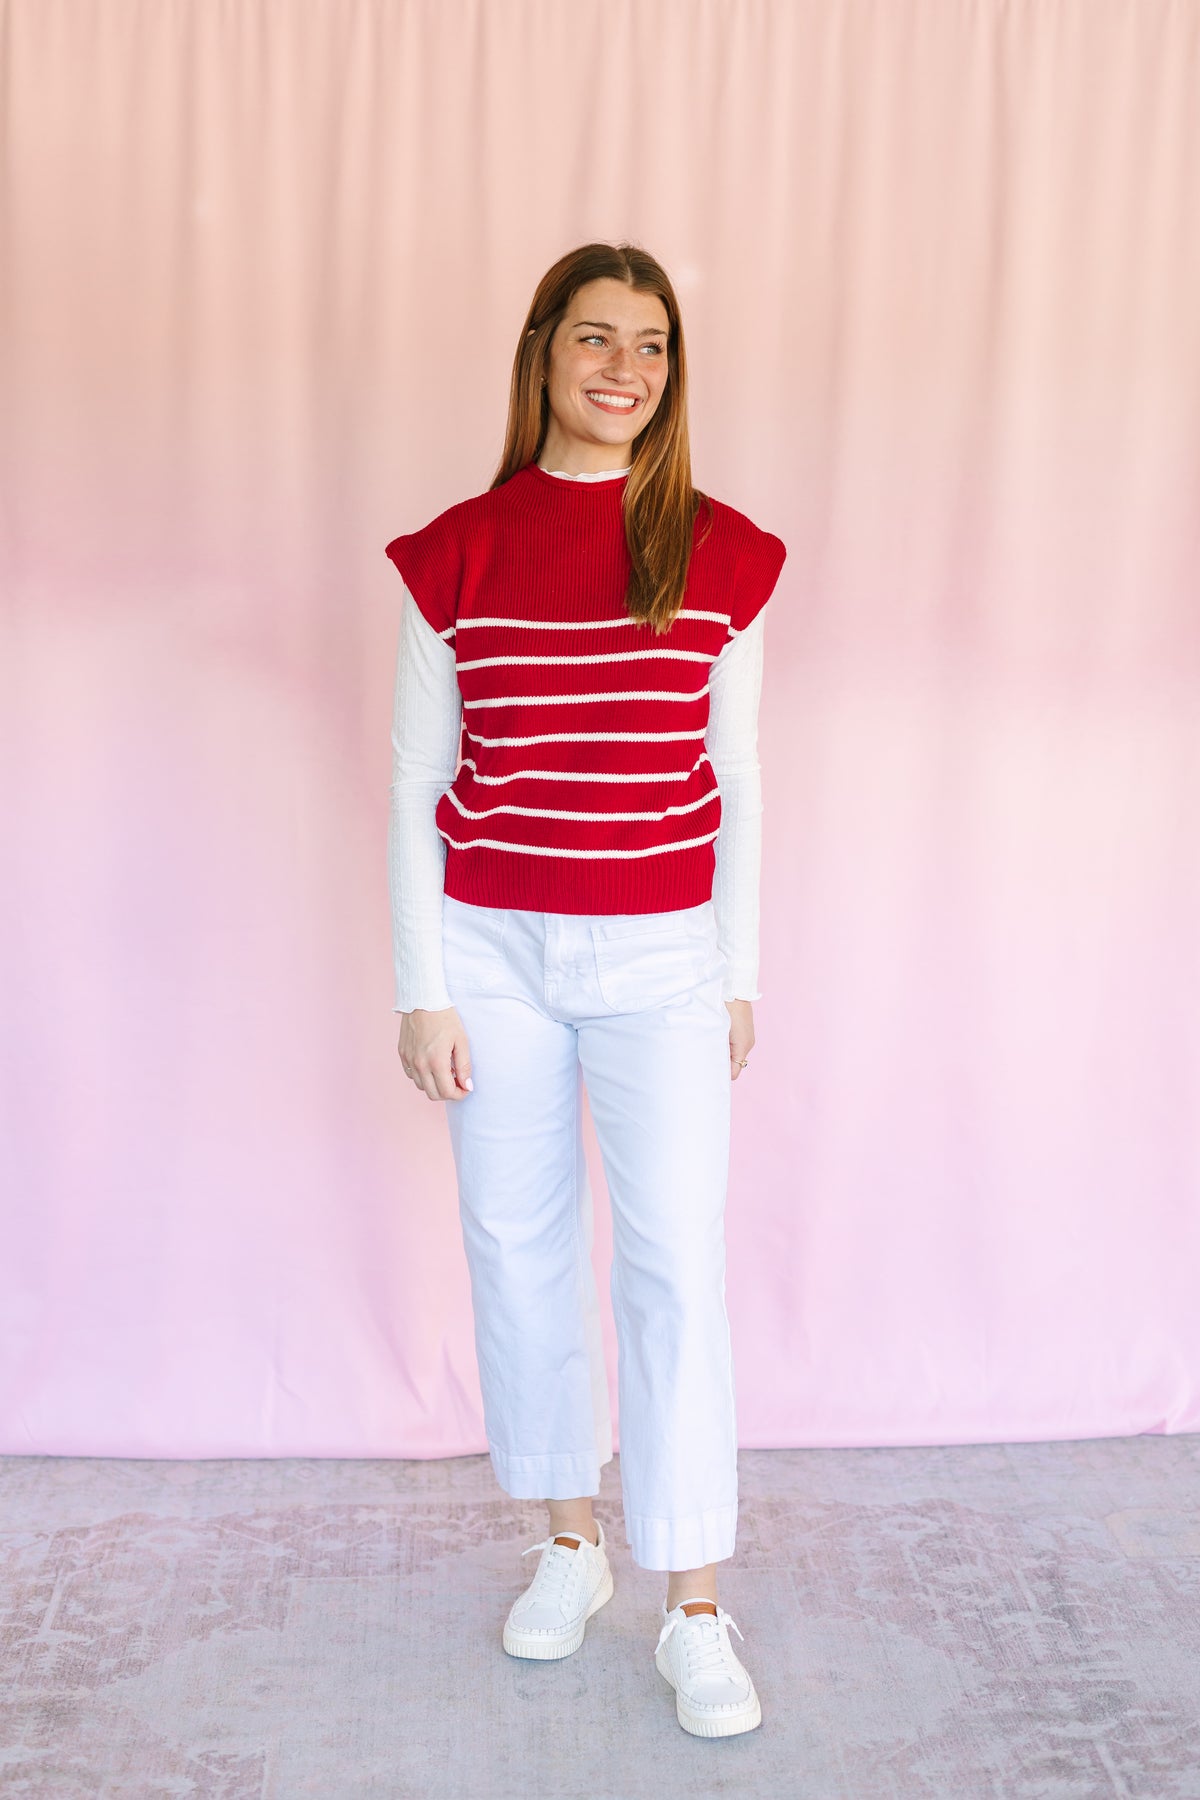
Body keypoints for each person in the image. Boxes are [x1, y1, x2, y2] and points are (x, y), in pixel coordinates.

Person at [385, 242, 786, 1739]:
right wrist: (423, 988)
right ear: (543, 353)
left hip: (663, 952)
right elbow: (420, 782)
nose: (626, 369)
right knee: (516, 1245)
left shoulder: (722, 553)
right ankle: (570, 1543)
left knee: (676, 1264)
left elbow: (735, 779)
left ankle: (694, 1601)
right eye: (598, 339)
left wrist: (736, 974)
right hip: (493, 951)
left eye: (655, 346)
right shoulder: (457, 554)